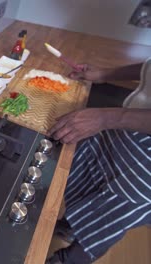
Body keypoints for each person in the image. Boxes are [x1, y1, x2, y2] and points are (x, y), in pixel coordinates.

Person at [46, 58, 151, 264]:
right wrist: (104, 74)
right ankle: (71, 225)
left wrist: (107, 118)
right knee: (91, 179)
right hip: (130, 127)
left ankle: (67, 259)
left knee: (112, 212)